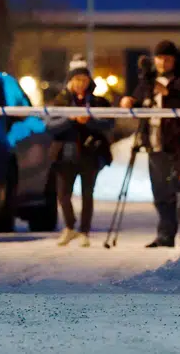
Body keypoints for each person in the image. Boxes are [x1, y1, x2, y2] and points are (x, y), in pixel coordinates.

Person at [119, 40, 180, 247]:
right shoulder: (148, 80)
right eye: (159, 58)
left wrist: (169, 93)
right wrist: (129, 101)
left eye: (167, 59)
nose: (163, 63)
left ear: (175, 59)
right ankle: (165, 234)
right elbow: (140, 100)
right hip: (155, 142)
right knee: (161, 191)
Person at [45, 61, 114, 247]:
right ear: (70, 81)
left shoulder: (99, 102)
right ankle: (69, 227)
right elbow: (50, 126)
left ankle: (84, 231)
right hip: (63, 155)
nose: (80, 83)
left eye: (84, 79)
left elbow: (109, 124)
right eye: (76, 79)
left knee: (87, 193)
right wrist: (70, 119)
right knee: (63, 194)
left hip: (89, 154)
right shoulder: (60, 101)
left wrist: (89, 121)